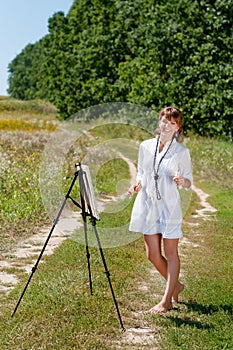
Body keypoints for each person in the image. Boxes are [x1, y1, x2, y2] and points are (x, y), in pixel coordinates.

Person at [129, 106, 193, 314]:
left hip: (169, 206)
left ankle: (166, 302)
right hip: (148, 205)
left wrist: (183, 181)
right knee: (153, 254)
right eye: (164, 121)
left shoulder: (182, 152)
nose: (167, 125)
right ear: (159, 122)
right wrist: (138, 184)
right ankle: (176, 285)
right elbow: (142, 171)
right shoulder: (145, 146)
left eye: (172, 123)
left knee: (171, 253)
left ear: (177, 128)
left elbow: (189, 181)